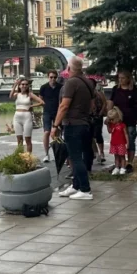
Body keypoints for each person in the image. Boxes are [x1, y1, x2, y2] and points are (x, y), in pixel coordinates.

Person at [52, 56, 95, 200]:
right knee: (78, 157)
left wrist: (55, 125)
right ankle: (76, 186)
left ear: (69, 69)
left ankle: (85, 189)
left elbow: (64, 106)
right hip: (85, 123)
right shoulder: (88, 82)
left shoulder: (71, 83)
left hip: (72, 125)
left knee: (75, 158)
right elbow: (92, 105)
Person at [106, 70, 137, 171]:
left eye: (123, 78)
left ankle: (129, 163)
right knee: (118, 140)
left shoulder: (133, 90)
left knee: (130, 139)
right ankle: (118, 163)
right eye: (119, 78)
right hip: (118, 119)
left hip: (131, 118)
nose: (121, 80)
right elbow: (111, 102)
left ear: (128, 79)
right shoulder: (116, 89)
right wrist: (108, 115)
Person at [10, 78, 45, 153]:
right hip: (17, 117)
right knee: (19, 139)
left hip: (27, 117)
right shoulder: (17, 94)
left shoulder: (30, 94)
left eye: (26, 84)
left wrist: (32, 106)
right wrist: (15, 84)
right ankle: (20, 157)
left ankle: (28, 158)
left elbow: (42, 102)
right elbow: (10, 96)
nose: (24, 86)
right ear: (20, 86)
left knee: (27, 139)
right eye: (22, 84)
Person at [40, 70, 63, 162]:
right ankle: (46, 154)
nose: (53, 79)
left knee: (58, 133)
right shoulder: (44, 87)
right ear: (48, 77)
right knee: (46, 132)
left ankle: (59, 154)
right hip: (47, 112)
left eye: (54, 77)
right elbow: (40, 99)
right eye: (51, 77)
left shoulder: (61, 87)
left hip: (58, 112)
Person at [106, 107, 129, 175]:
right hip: (114, 143)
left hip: (121, 143)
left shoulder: (122, 125)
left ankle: (123, 167)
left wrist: (128, 143)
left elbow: (126, 134)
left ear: (117, 118)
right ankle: (116, 167)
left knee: (122, 156)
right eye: (110, 119)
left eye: (112, 119)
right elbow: (109, 131)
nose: (111, 121)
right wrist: (108, 125)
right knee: (116, 156)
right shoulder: (112, 125)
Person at [91, 79, 108, 163]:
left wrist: (101, 112)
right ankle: (95, 152)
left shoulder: (98, 92)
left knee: (98, 134)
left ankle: (101, 153)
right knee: (90, 135)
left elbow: (105, 103)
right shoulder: (86, 93)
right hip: (89, 116)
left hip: (98, 116)